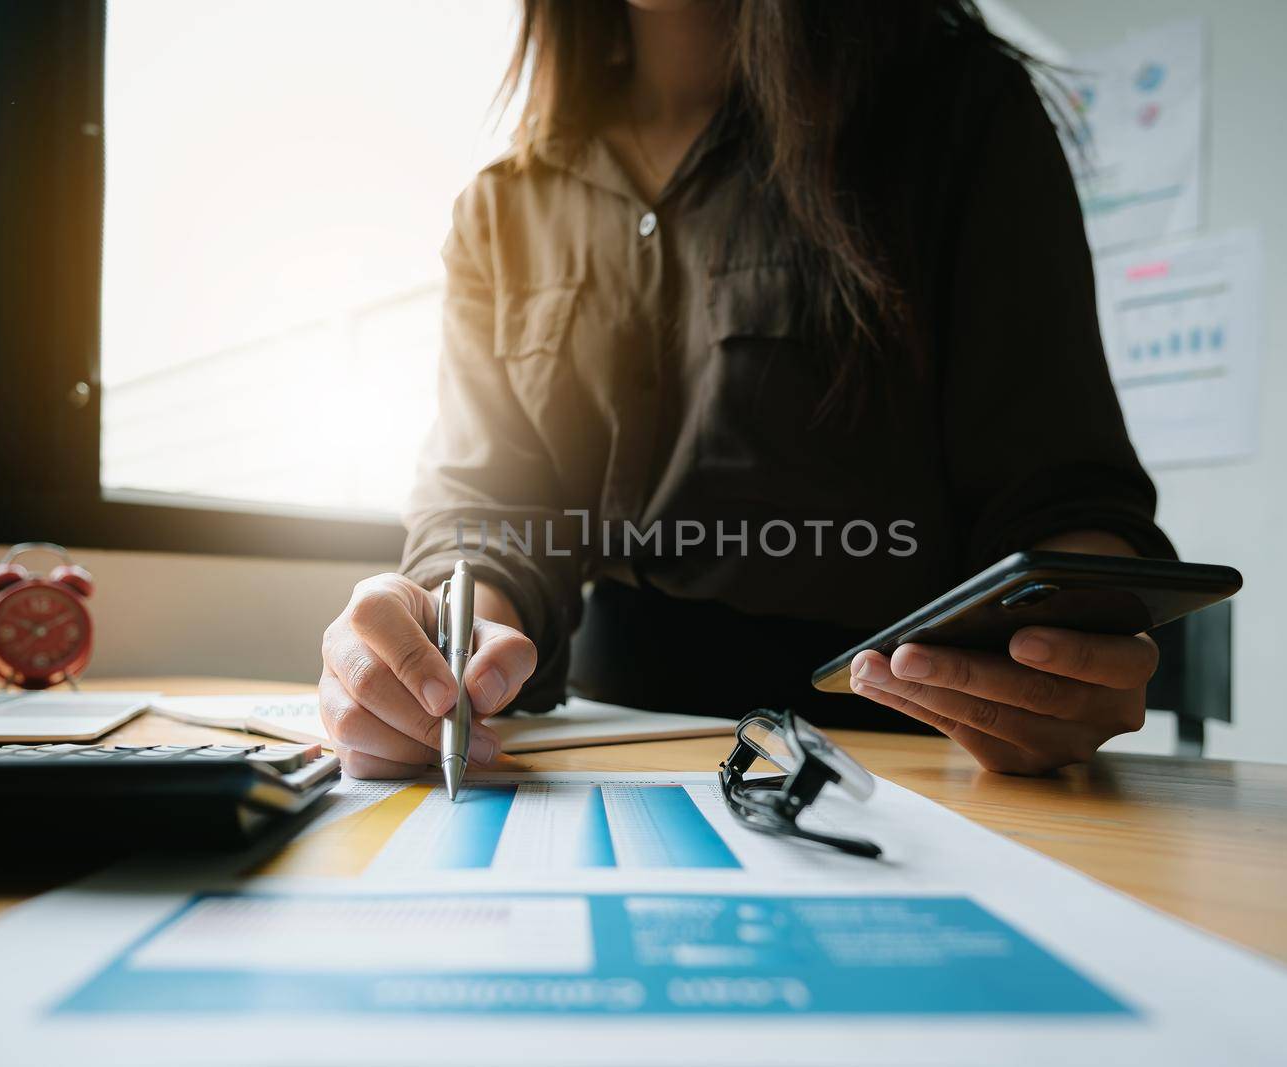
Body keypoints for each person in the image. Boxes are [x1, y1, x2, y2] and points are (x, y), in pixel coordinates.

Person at [318, 0, 1173, 780]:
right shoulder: (503, 206)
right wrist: (444, 637)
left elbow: (1058, 485)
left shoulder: (956, 114)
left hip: (897, 753)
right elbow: (490, 504)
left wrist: (1072, 636)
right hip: (597, 751)